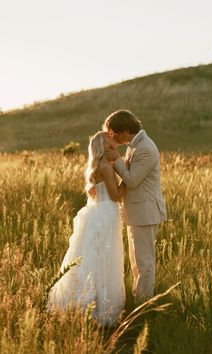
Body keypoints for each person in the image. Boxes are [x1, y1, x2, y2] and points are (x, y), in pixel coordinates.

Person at [47, 131, 126, 326]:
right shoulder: (107, 167)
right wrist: (129, 180)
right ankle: (100, 307)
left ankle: (79, 301)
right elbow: (116, 196)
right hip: (107, 213)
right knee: (106, 259)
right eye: (110, 141)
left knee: (91, 258)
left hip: (97, 212)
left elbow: (96, 194)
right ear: (103, 145)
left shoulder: (94, 166)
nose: (114, 142)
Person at [103, 110, 167, 301]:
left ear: (124, 131)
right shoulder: (135, 145)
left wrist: (116, 159)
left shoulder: (145, 148)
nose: (113, 138)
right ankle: (138, 298)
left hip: (145, 213)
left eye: (113, 133)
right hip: (136, 212)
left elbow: (131, 180)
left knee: (145, 263)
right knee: (136, 261)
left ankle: (144, 305)